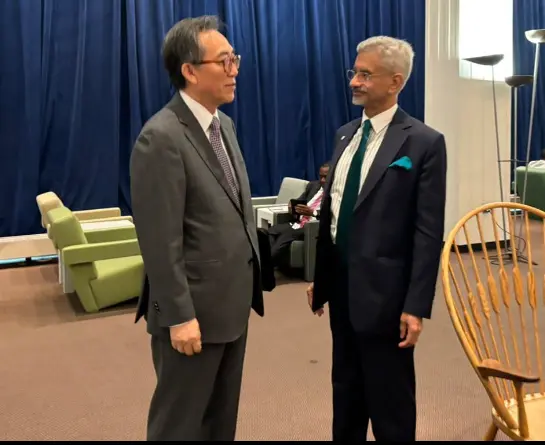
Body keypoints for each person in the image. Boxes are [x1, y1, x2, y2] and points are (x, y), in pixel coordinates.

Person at [129, 16, 266, 441]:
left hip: (230, 306)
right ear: (190, 70)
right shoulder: (161, 137)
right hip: (191, 315)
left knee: (219, 421)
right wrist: (179, 315)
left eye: (235, 60)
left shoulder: (222, 125)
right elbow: (159, 239)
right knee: (179, 423)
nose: (234, 70)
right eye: (224, 61)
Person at [307, 36, 447, 441]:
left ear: (395, 81)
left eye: (366, 74)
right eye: (354, 72)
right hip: (343, 292)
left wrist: (416, 306)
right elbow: (334, 213)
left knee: (391, 404)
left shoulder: (423, 143)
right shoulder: (344, 136)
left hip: (388, 299)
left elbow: (427, 232)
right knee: (346, 394)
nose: (354, 81)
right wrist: (322, 278)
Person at [267, 163, 330, 270]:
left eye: (326, 177)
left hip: (313, 226)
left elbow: (332, 214)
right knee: (271, 231)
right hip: (299, 222)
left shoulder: (334, 193)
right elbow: (299, 200)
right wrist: (292, 206)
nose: (323, 180)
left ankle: (265, 267)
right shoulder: (313, 186)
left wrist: (313, 213)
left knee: (286, 236)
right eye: (321, 176)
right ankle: (272, 262)